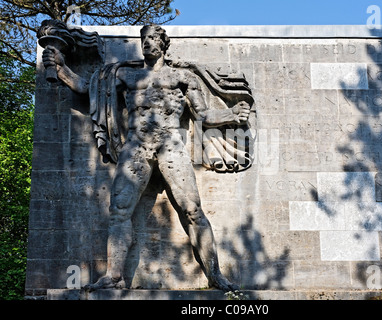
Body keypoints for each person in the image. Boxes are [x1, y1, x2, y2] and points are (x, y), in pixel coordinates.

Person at [43, 24, 251, 291]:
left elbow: (204, 116)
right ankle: (115, 276)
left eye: (153, 38)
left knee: (193, 211)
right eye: (144, 39)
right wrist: (61, 69)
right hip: (136, 147)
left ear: (163, 44)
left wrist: (232, 116)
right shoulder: (126, 76)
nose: (147, 43)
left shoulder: (181, 77)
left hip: (170, 146)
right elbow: (87, 88)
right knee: (119, 212)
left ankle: (215, 276)